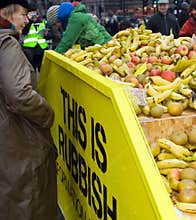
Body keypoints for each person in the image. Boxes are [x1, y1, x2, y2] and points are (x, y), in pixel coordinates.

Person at [0, 0, 57, 220]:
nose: (27, 20)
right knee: (29, 203)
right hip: (17, 140)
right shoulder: (7, 43)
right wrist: (47, 114)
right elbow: (20, 95)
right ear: (7, 12)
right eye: (23, 14)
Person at [47, 2, 112, 54]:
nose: (57, 26)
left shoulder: (75, 19)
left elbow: (67, 42)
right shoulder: (75, 17)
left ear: (58, 19)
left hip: (106, 47)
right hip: (101, 48)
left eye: (55, 24)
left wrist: (55, 55)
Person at [21, 6, 49, 73]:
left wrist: (47, 34)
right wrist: (30, 21)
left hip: (41, 49)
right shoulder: (25, 22)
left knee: (43, 71)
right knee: (31, 71)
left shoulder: (42, 22)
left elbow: (48, 36)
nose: (33, 14)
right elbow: (24, 31)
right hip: (29, 50)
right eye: (31, 13)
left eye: (34, 12)